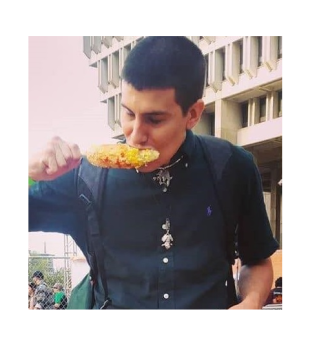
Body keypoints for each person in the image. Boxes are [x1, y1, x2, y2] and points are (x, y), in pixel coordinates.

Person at [28, 36, 279, 310]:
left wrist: (252, 301)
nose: (135, 135)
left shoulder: (231, 167)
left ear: (193, 114)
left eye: (154, 119)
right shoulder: (84, 178)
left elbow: (257, 259)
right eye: (128, 114)